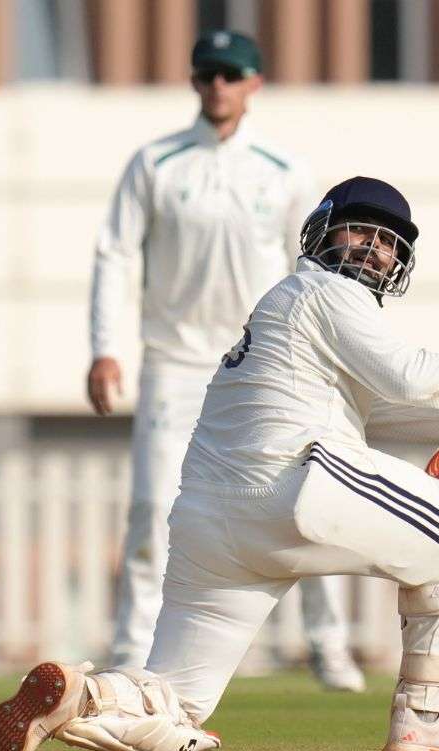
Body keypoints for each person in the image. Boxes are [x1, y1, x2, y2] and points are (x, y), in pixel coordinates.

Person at [0, 177, 439, 751]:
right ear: (320, 234)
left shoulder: (305, 334)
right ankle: (426, 722)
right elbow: (419, 377)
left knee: (179, 697)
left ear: (400, 263)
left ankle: (85, 695)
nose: (372, 249)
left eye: (388, 242)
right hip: (292, 486)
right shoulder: (321, 290)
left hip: (214, 525)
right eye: (360, 231)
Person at [86, 29, 363, 690]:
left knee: (308, 494)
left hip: (259, 362)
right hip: (174, 361)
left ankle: (329, 645)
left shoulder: (283, 169)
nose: (218, 86)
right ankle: (132, 656)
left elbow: (316, 269)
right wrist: (104, 349)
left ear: (253, 84)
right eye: (208, 74)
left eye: (231, 75)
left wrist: (326, 353)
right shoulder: (156, 163)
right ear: (194, 81)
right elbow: (115, 255)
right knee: (154, 509)